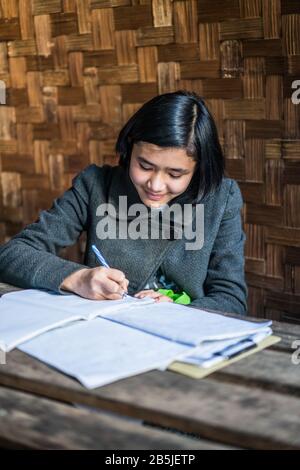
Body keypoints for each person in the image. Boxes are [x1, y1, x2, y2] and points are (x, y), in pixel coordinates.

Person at [0, 91, 247, 314]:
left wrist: (179, 313)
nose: (156, 185)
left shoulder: (220, 199)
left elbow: (231, 299)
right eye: (145, 166)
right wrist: (77, 278)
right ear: (129, 150)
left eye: (175, 174)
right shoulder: (95, 185)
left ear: (198, 169)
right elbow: (12, 255)